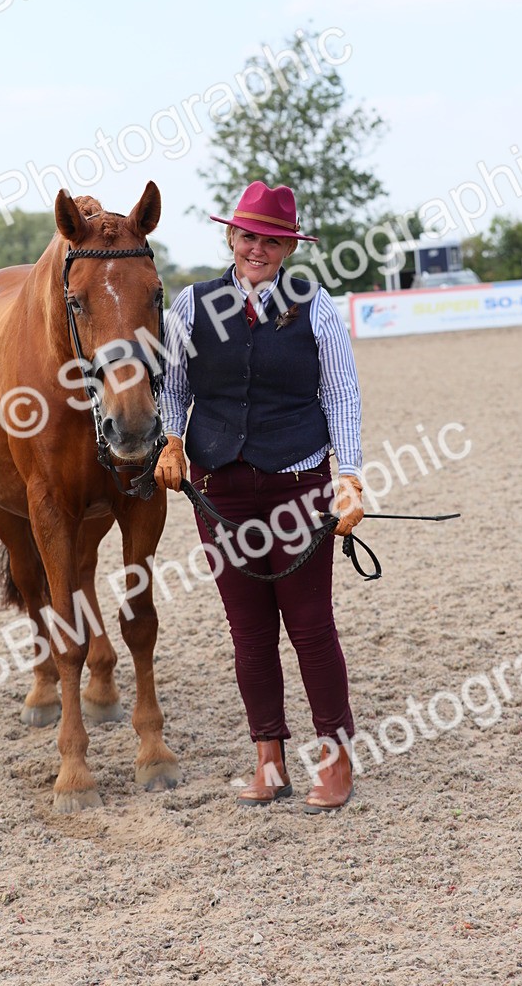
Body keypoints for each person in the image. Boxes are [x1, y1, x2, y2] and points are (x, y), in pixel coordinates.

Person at [154, 180, 364, 813]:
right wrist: (170, 439)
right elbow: (174, 382)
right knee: (248, 633)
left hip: (300, 484)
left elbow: (341, 394)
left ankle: (336, 755)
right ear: (230, 237)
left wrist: (347, 474)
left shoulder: (316, 306)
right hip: (221, 490)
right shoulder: (191, 306)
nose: (257, 248)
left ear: (287, 248)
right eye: (248, 236)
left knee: (310, 626)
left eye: (271, 240)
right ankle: (268, 758)